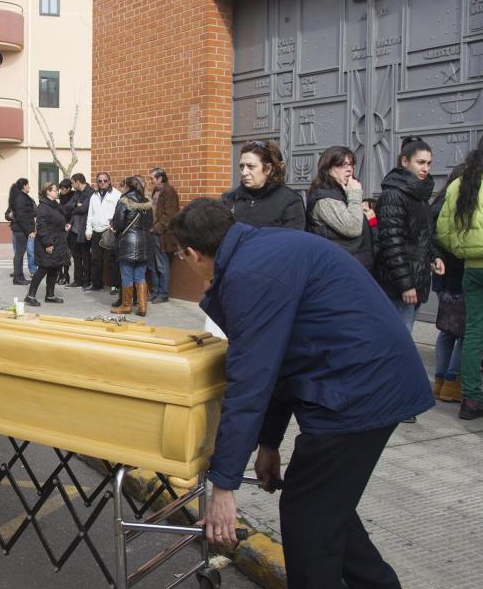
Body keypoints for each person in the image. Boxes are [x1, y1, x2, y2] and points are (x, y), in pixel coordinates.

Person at [171, 198, 433, 589]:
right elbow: (278, 361)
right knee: (326, 509)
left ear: (192, 254)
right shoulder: (264, 248)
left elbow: (251, 381)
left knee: (307, 518)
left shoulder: (249, 274)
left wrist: (223, 485)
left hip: (359, 390)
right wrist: (269, 443)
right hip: (368, 379)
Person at [374, 136, 445, 333]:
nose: (425, 168)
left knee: (403, 337)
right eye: (420, 162)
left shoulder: (419, 194)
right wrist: (405, 285)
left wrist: (435, 256)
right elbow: (391, 243)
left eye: (429, 163)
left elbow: (423, 235)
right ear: (405, 161)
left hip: (416, 279)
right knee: (398, 340)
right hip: (398, 284)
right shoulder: (394, 195)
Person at [436, 139, 483, 420]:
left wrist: (460, 250)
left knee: (475, 332)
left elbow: (441, 229)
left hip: (472, 269)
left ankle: (470, 401)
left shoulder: (459, 184)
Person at [431, 163, 467, 404]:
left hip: (441, 275)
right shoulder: (459, 204)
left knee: (446, 330)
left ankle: (440, 380)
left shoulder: (436, 205)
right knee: (465, 330)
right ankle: (453, 381)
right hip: (458, 272)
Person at [305, 146, 374, 272]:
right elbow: (352, 228)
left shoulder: (343, 192)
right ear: (328, 168)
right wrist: (355, 194)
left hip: (354, 266)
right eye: (343, 165)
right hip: (339, 269)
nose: (349, 169)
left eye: (351, 165)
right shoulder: (325, 198)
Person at [221, 140, 305, 229]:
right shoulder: (229, 198)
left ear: (268, 169)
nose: (244, 172)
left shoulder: (290, 201)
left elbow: (292, 239)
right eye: (242, 166)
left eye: (251, 166)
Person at [110, 176, 154, 316]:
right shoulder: (147, 202)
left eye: (123, 186)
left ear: (128, 187)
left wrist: (114, 227)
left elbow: (118, 223)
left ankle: (126, 306)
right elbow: (149, 223)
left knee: (127, 275)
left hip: (128, 243)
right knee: (140, 275)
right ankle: (142, 308)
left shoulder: (124, 201)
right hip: (145, 242)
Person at [25, 182, 69, 307]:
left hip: (57, 241)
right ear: (48, 192)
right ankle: (30, 296)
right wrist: (48, 244)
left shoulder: (54, 205)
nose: (57, 192)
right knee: (43, 269)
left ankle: (50, 295)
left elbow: (56, 221)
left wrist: (64, 226)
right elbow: (42, 227)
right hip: (48, 243)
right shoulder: (43, 207)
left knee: (54, 268)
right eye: (55, 190)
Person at [85, 172, 121, 292]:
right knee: (95, 259)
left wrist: (114, 225)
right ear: (97, 182)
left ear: (109, 181)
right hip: (96, 231)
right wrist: (88, 229)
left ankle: (114, 285)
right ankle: (96, 284)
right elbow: (90, 214)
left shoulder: (116, 194)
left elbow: (119, 212)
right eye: (100, 181)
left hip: (109, 230)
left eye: (105, 180)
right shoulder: (94, 196)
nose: (102, 183)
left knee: (112, 259)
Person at [147, 167, 180, 303]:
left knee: (162, 265)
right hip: (153, 232)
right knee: (153, 265)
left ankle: (163, 293)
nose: (150, 181)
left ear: (160, 178)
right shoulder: (156, 190)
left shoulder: (169, 191)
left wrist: (156, 229)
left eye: (152, 178)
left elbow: (170, 215)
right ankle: (155, 292)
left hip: (162, 235)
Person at [8, 178, 36, 286]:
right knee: (19, 254)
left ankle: (19, 277)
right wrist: (30, 230)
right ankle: (18, 278)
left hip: (20, 229)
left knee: (19, 253)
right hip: (20, 230)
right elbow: (22, 216)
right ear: (24, 186)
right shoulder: (21, 198)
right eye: (28, 185)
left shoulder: (21, 197)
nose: (29, 186)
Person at [68, 173, 93, 288]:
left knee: (86, 256)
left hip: (84, 229)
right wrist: (76, 205)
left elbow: (84, 209)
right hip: (74, 229)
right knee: (76, 256)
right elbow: (69, 206)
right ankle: (78, 280)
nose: (72, 185)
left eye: (72, 182)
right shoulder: (76, 193)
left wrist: (77, 207)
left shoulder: (90, 192)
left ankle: (86, 280)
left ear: (78, 182)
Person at [57, 178, 75, 286]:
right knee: (59, 252)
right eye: (60, 188)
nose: (61, 191)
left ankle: (66, 274)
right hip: (60, 227)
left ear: (69, 188)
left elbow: (71, 212)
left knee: (66, 252)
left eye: (63, 188)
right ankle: (60, 274)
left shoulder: (73, 196)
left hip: (69, 227)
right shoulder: (60, 196)